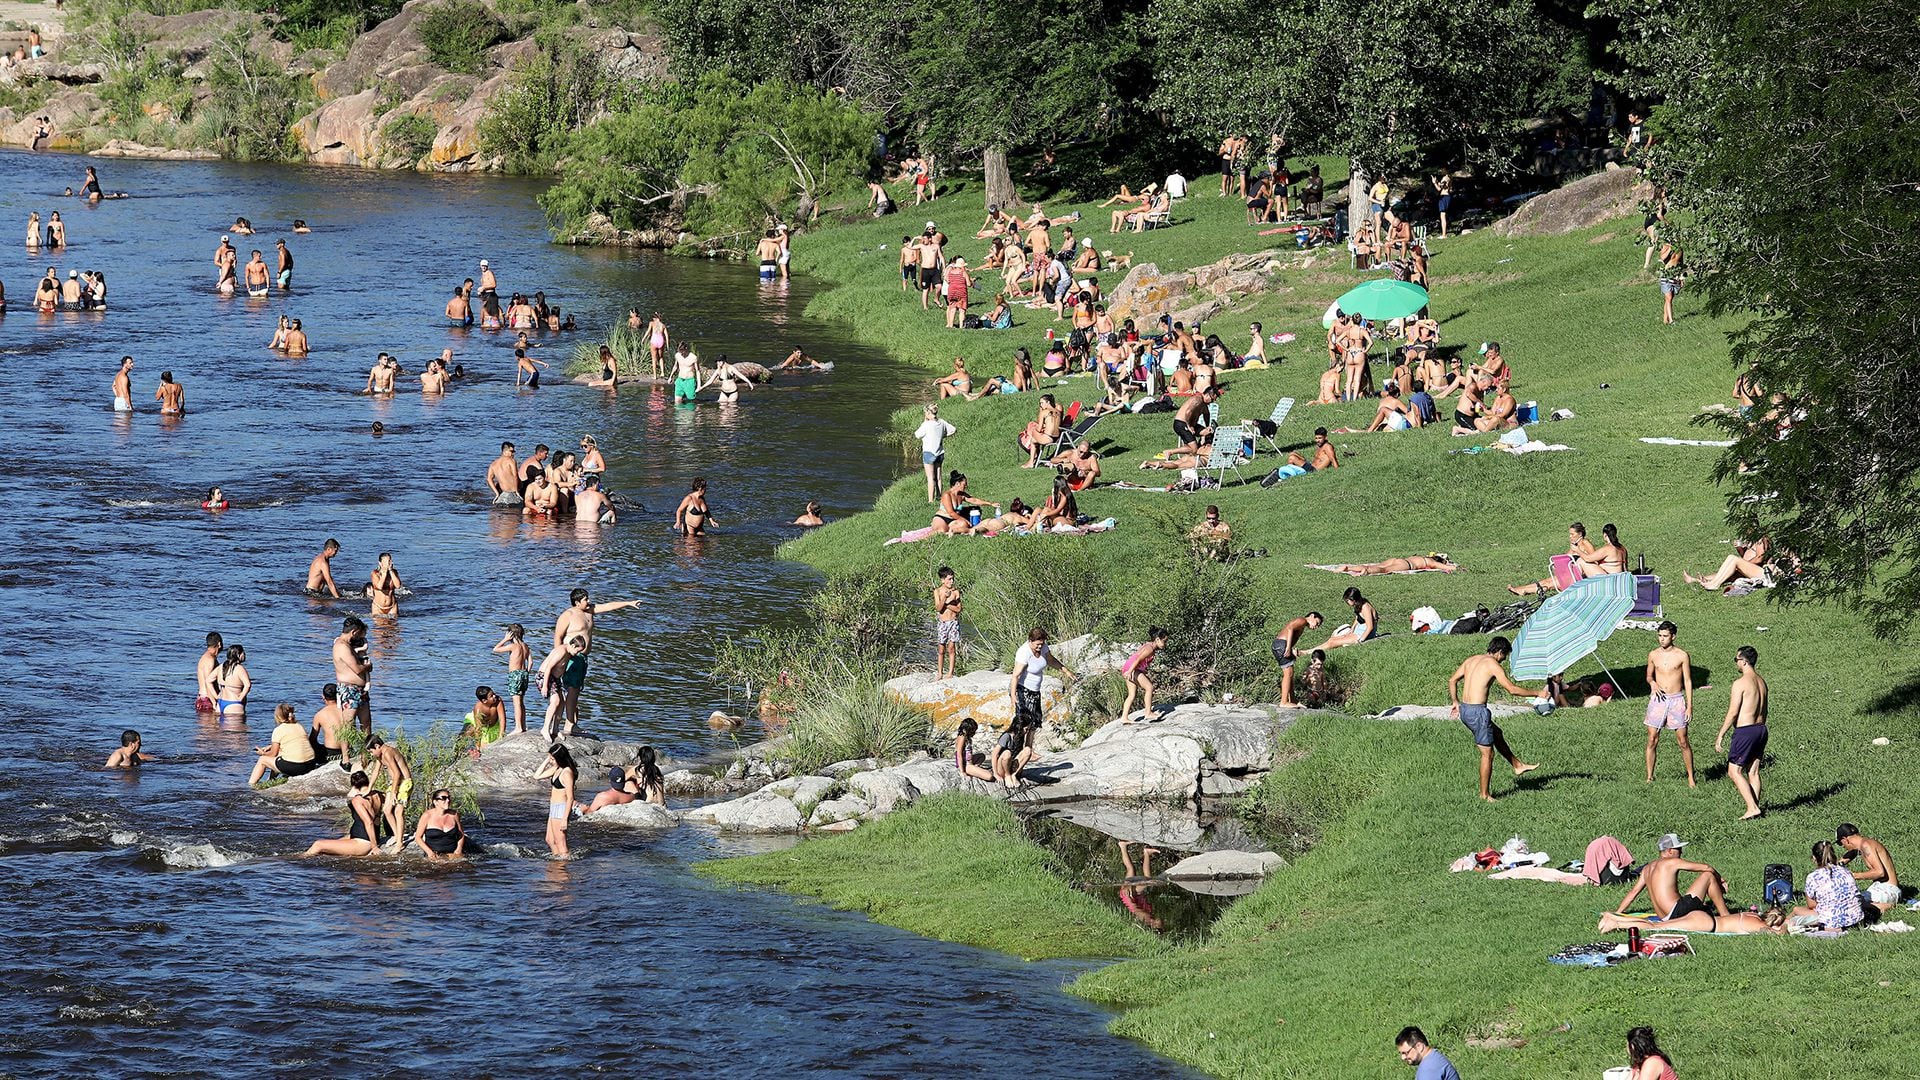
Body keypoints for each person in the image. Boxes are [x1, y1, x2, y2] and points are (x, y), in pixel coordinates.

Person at [1445, 636, 1542, 801]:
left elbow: (1452, 680)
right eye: (1504, 656)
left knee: (1497, 733)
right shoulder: (1493, 665)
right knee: (1487, 755)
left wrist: (1455, 702)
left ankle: (1517, 765)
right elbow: (1512, 689)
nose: (1503, 660)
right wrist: (1537, 693)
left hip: (1466, 710)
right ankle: (1485, 795)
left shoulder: (1471, 660)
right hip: (1478, 712)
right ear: (1499, 652)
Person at [548, 589, 641, 733]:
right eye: (585, 599)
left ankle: (571, 722)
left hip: (583, 658)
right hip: (572, 657)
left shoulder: (590, 611)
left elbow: (609, 606)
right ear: (577, 602)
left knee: (576, 690)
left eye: (588, 598)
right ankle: (569, 724)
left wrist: (628, 603)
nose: (589, 601)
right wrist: (559, 659)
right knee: (572, 690)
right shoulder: (568, 615)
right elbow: (558, 637)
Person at [1614, 834, 1731, 921]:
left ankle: (1713, 912)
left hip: (1663, 917)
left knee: (1701, 902)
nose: (1681, 852)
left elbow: (1633, 893)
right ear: (1670, 851)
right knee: (1708, 876)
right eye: (1678, 849)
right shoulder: (1671, 862)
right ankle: (1726, 916)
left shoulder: (1647, 869)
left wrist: (1617, 913)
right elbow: (1707, 867)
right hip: (1677, 913)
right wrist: (1720, 881)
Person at [1713, 644, 1768, 820]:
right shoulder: (1762, 682)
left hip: (1746, 731)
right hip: (1761, 729)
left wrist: (1721, 734)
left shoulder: (1740, 683)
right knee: (1753, 771)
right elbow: (1765, 710)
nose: (1736, 663)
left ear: (1743, 661)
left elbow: (1733, 712)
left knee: (1734, 771)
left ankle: (1752, 807)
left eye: (1736, 659)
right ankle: (1755, 808)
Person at [1643, 621, 1696, 786]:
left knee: (1683, 740)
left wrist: (1689, 706)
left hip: (1676, 699)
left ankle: (1691, 777)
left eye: (1665, 636)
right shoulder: (1653, 655)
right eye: (1659, 635)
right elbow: (1649, 676)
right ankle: (1649, 776)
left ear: (1673, 637)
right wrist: (1653, 683)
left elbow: (1687, 681)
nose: (1662, 639)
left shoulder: (1682, 655)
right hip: (1658, 700)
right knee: (1652, 739)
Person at [1009, 627, 1074, 740]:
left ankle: (1028, 747)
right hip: (1022, 689)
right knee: (1023, 722)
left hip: (1035, 690)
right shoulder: (1024, 652)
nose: (1040, 647)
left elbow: (1051, 660)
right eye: (1037, 644)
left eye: (1042, 644)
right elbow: (1016, 676)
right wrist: (1013, 696)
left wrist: (1066, 671)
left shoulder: (1043, 647)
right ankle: (1013, 745)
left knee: (1035, 721)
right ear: (1030, 641)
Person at [301, 771, 380, 858]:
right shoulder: (377, 795)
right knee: (330, 846)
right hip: (367, 837)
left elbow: (369, 822)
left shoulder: (357, 800)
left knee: (318, 845)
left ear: (354, 786)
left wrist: (374, 846)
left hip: (363, 842)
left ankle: (299, 859)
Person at [1794, 840, 1866, 929]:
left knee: (1796, 910)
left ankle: (1783, 924)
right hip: (1856, 919)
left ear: (1814, 858)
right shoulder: (1846, 871)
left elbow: (1812, 905)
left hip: (1831, 922)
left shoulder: (1813, 877)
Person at [248, 702, 319, 785]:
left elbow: (273, 754)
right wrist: (271, 746)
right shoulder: (299, 726)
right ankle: (271, 780)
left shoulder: (278, 730)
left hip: (296, 767)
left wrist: (263, 753)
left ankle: (251, 785)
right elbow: (295, 742)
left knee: (262, 760)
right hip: (310, 764)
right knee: (280, 754)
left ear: (278, 717)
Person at [1836, 823, 1902, 908]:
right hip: (1885, 889)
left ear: (1845, 840)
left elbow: (1880, 872)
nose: (1842, 846)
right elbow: (1851, 854)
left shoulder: (1866, 845)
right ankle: (1878, 906)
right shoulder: (1863, 845)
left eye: (1840, 843)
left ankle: (1884, 907)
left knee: (1848, 904)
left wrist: (1853, 876)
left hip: (1888, 890)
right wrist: (1836, 866)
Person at [1598, 907, 1785, 936]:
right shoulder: (1758, 925)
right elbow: (1776, 935)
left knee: (1658, 924)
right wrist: (1784, 928)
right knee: (1655, 927)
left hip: (1703, 917)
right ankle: (1616, 923)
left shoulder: (1752, 915)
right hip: (1706, 924)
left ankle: (1615, 918)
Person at [1684, 535, 1778, 592]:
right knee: (1725, 572)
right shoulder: (1750, 540)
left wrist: (1742, 563)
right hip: (1752, 571)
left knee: (1732, 559)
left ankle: (1714, 584)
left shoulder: (1762, 538)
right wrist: (1740, 549)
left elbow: (1759, 558)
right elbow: (1745, 557)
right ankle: (1697, 580)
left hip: (1764, 573)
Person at [365, 733, 412, 844]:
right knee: (386, 810)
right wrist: (369, 788)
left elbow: (397, 773)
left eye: (371, 752)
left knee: (398, 811)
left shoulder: (387, 752)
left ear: (377, 746)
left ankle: (400, 843)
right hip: (395, 783)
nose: (371, 754)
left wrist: (394, 791)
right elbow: (376, 771)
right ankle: (397, 836)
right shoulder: (380, 755)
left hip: (404, 783)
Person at [532, 743, 577, 857]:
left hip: (561, 809)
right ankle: (556, 864)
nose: (551, 761)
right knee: (550, 840)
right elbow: (536, 776)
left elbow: (570, 798)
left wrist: (565, 819)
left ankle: (564, 865)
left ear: (560, 758)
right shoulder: (557, 769)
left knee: (561, 844)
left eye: (553, 759)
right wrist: (548, 759)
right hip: (553, 807)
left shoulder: (567, 773)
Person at [1271, 612, 1324, 707]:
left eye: (1318, 626)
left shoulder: (1302, 626)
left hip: (1282, 645)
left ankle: (1293, 699)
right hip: (1281, 645)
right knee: (1288, 673)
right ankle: (1283, 702)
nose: (1316, 627)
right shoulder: (1302, 620)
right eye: (1317, 623)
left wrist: (1291, 650)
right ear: (1312, 616)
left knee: (1290, 673)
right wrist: (1288, 648)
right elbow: (1290, 628)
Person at [1118, 626, 1169, 723]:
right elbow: (1138, 659)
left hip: (1127, 668)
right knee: (1149, 687)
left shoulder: (1149, 645)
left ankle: (1124, 718)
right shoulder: (1150, 649)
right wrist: (1130, 671)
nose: (1165, 644)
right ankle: (1148, 713)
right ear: (1157, 639)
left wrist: (1140, 670)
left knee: (1132, 694)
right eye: (1164, 641)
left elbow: (1140, 660)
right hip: (1131, 669)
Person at [491, 623, 533, 734]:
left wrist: (505, 639)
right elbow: (530, 662)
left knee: (516, 702)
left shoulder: (513, 646)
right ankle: (523, 725)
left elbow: (495, 649)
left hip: (515, 674)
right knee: (521, 702)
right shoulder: (525, 646)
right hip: (524, 674)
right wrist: (526, 672)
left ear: (511, 634)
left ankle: (518, 727)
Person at [333, 616, 372, 733]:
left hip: (361, 690)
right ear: (354, 632)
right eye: (358, 634)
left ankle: (366, 745)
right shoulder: (342, 646)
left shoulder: (349, 645)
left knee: (366, 723)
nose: (359, 638)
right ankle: (347, 747)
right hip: (349, 689)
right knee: (349, 725)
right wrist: (368, 666)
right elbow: (357, 669)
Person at [412, 789, 467, 860]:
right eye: (444, 798)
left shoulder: (454, 815)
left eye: (449, 797)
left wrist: (458, 850)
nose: (448, 800)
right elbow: (418, 838)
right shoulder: (427, 815)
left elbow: (461, 834)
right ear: (435, 802)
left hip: (453, 854)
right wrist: (430, 853)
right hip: (434, 855)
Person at [1394, 1027, 1460, 1080]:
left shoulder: (1428, 1068)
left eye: (1405, 1053)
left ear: (1419, 1047)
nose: (1403, 1058)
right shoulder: (1433, 1058)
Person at [933, 567, 962, 679]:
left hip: (953, 622)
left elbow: (958, 609)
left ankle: (950, 673)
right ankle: (940, 673)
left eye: (952, 579)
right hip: (943, 623)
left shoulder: (955, 592)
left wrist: (948, 605)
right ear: (942, 580)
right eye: (949, 579)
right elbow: (938, 608)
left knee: (951, 648)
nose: (952, 581)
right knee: (941, 648)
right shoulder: (937, 592)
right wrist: (944, 598)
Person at [310, 684, 348, 768]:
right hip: (348, 751)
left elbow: (312, 739)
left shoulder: (320, 714)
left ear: (323, 697)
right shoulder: (347, 710)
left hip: (331, 753)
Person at [211, 644, 250, 718]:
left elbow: (208, 680)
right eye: (243, 652)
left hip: (220, 702)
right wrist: (241, 697)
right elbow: (248, 685)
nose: (245, 654)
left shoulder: (221, 666)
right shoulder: (239, 669)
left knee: (220, 725)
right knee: (235, 725)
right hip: (234, 704)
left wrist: (215, 696)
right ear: (238, 655)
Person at [1331, 555, 1458, 576]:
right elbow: (1447, 567)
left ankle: (1349, 567)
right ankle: (1366, 571)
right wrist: (1455, 567)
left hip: (1398, 559)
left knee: (1379, 565)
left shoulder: (1419, 556)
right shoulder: (1430, 562)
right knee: (1384, 570)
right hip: (1406, 564)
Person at [195, 631, 225, 712]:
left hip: (204, 698)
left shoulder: (208, 657)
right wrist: (214, 703)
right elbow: (207, 682)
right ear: (219, 644)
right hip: (207, 699)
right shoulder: (209, 659)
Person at [367, 552, 403, 618]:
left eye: (390, 561)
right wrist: (384, 574)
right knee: (379, 624)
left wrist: (391, 571)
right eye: (386, 561)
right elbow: (379, 587)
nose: (389, 563)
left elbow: (398, 586)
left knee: (394, 624)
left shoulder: (394, 572)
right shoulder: (375, 573)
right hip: (378, 607)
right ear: (380, 563)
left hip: (392, 606)